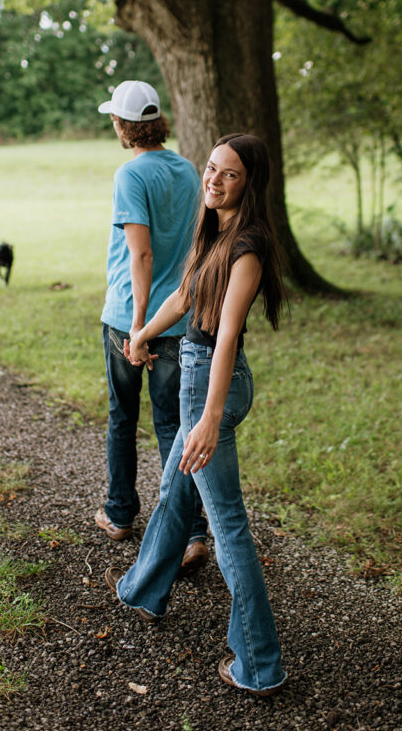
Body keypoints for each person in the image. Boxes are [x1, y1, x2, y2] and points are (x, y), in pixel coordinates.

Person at [105, 133, 287, 698]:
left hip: (212, 381)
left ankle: (260, 663)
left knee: (227, 522)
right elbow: (183, 298)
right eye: (211, 169)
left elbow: (227, 332)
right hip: (198, 370)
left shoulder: (248, 246)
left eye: (229, 175)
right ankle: (144, 586)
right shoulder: (215, 231)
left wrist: (208, 418)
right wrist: (141, 333)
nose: (214, 180)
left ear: (248, 184)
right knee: (174, 489)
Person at [95, 79, 208, 571]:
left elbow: (139, 253)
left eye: (115, 121)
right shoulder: (186, 170)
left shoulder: (130, 175)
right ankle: (191, 534)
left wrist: (137, 329)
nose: (114, 128)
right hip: (180, 319)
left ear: (125, 125)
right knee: (174, 426)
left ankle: (120, 514)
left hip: (130, 318)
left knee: (123, 418)